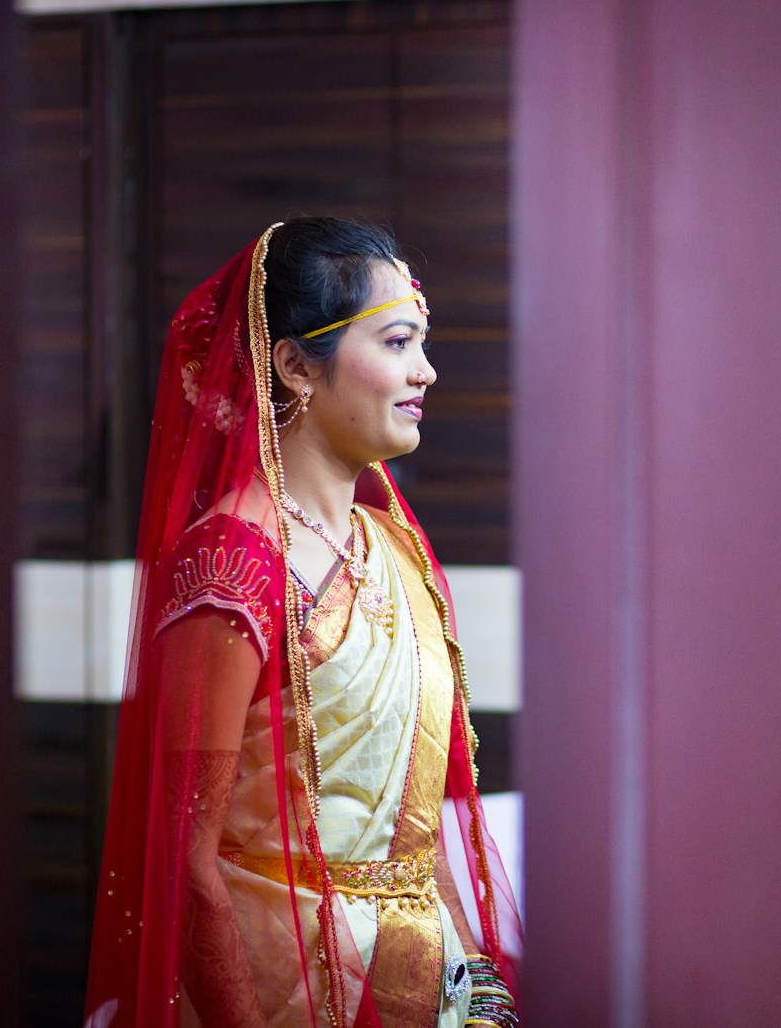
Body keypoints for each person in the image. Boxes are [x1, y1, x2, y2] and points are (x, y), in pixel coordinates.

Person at [83, 219, 522, 1028]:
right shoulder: (231, 564)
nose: (424, 370)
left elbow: (423, 826)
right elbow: (183, 862)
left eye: (421, 342)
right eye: (397, 342)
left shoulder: (393, 546)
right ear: (293, 364)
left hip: (421, 988)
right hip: (278, 986)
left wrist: (480, 986)